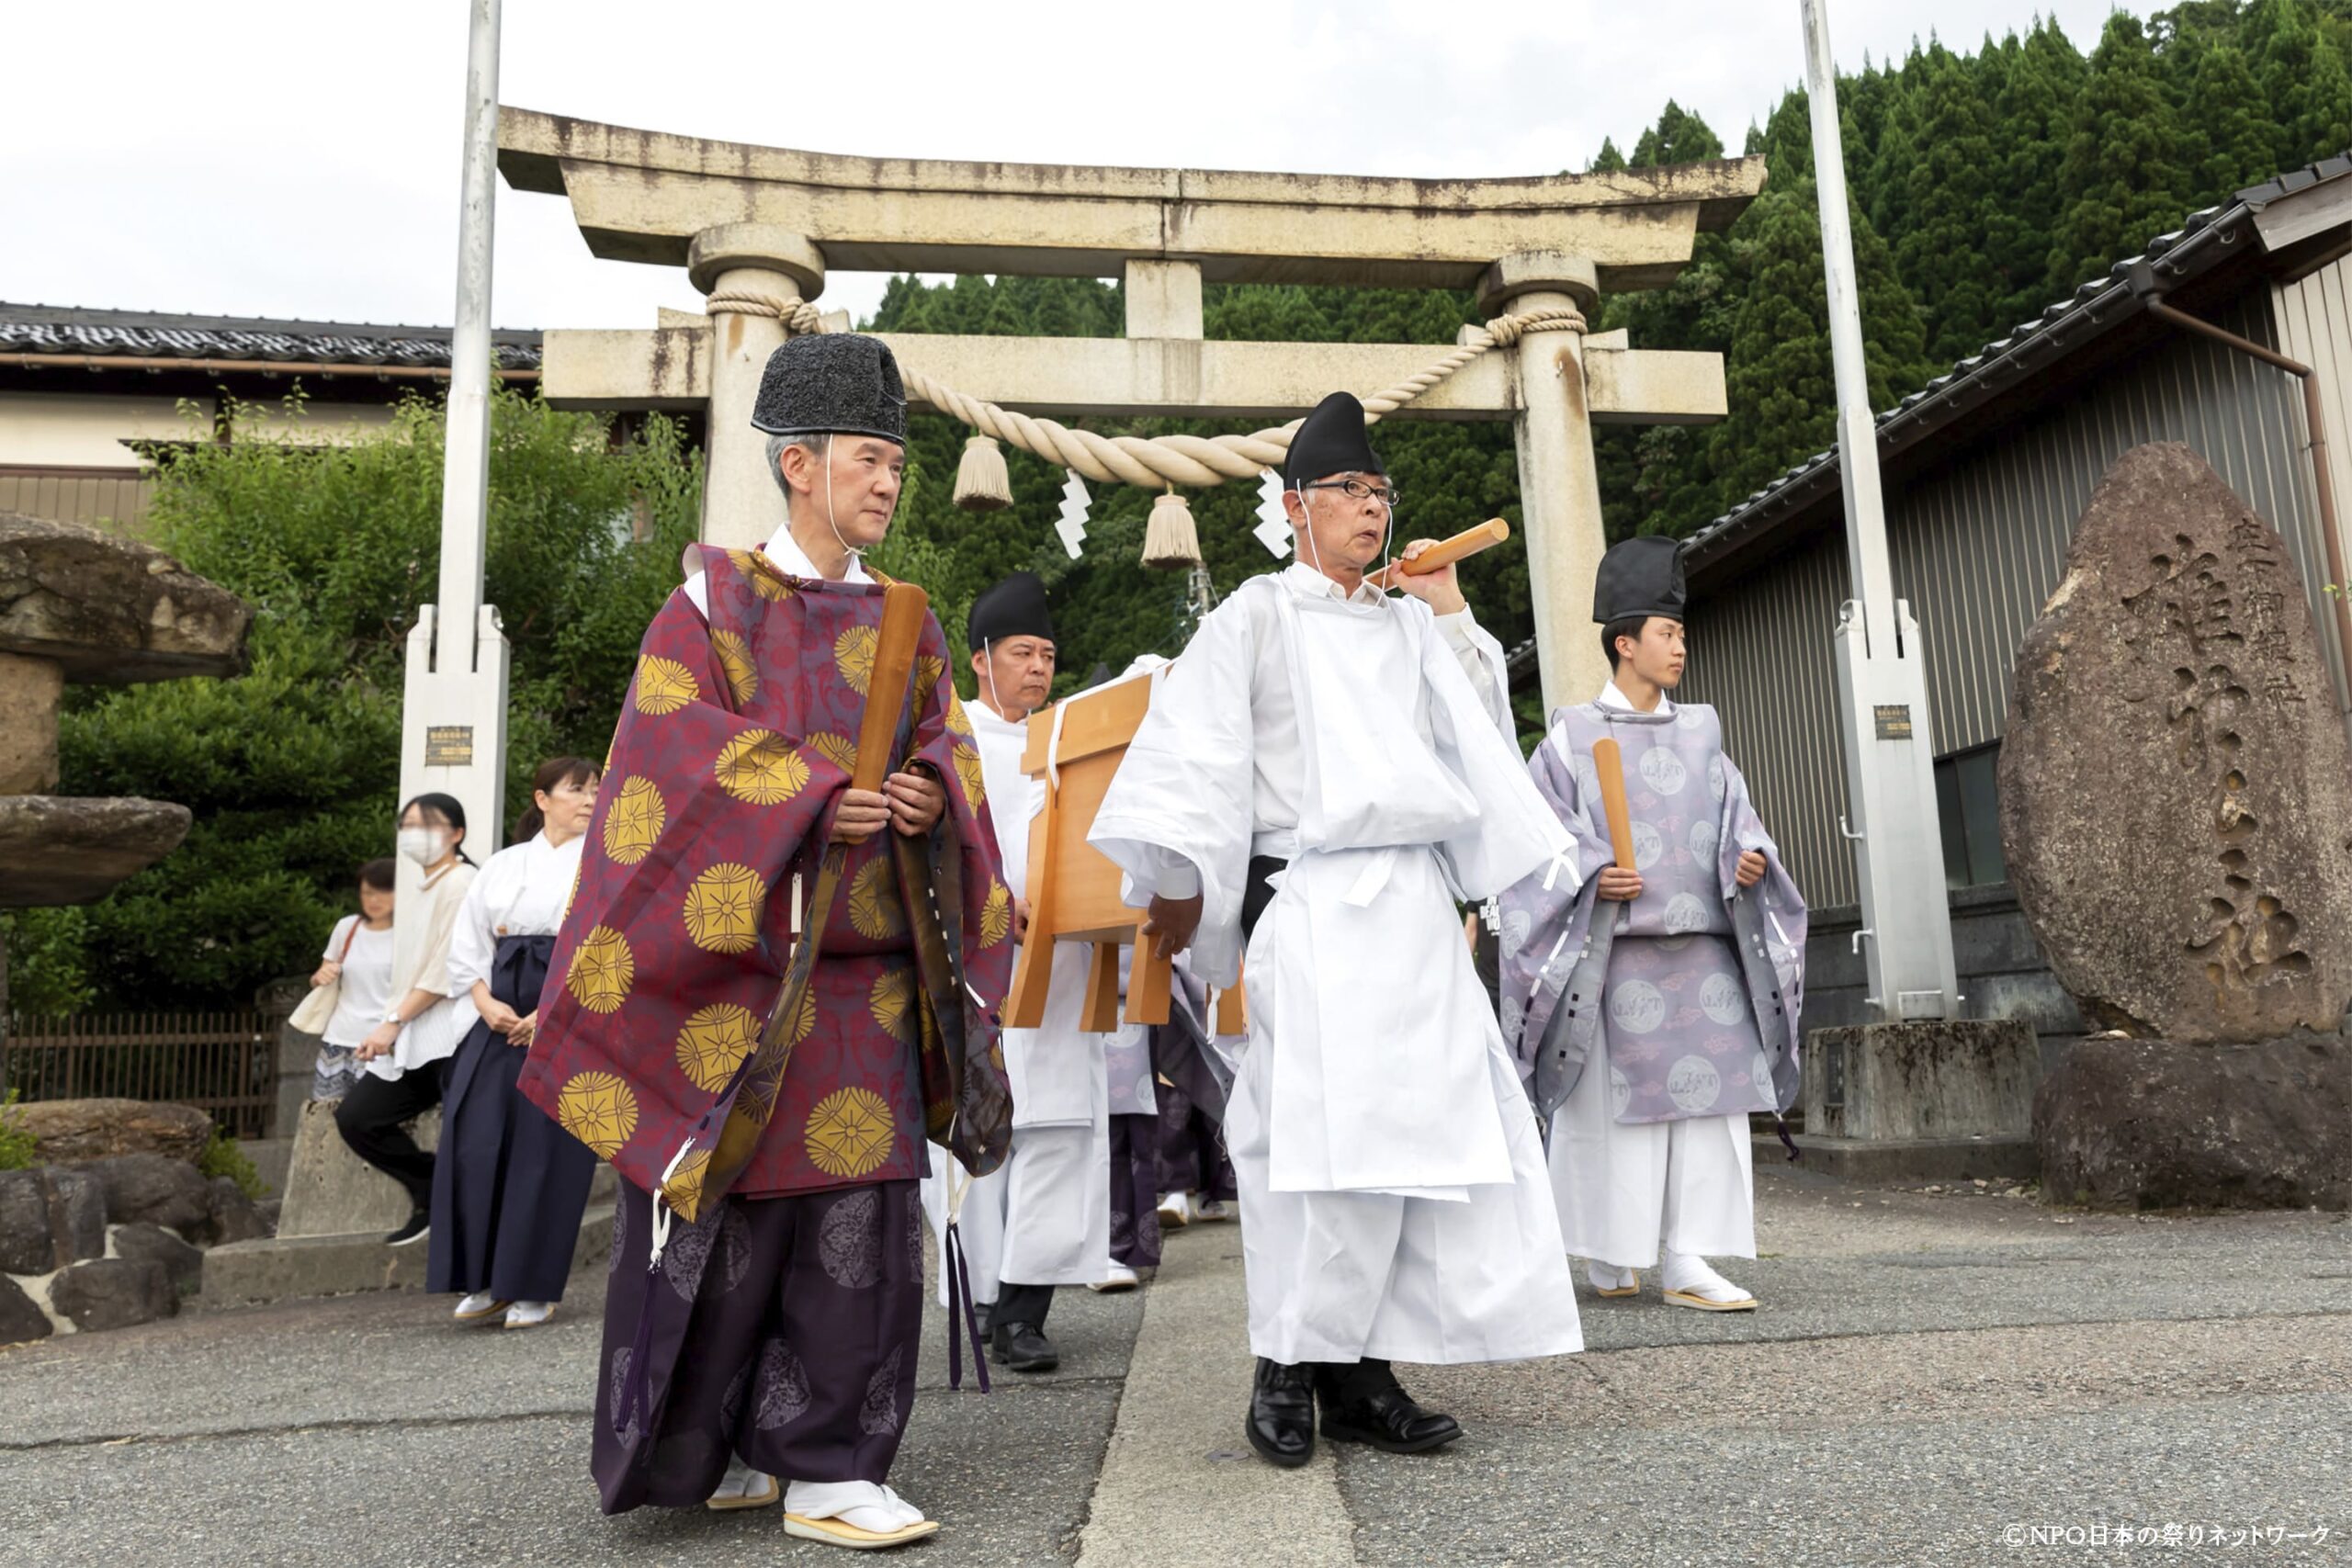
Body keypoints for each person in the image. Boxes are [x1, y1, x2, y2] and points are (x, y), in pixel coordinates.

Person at [519, 332, 1012, 1551]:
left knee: (859, 1221)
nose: (889, 480)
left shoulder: (912, 615)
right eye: (867, 457)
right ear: (798, 463)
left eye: (896, 458)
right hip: (738, 978)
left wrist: (923, 794)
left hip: (872, 978)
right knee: (726, 1225)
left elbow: (947, 745)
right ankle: (714, 1444)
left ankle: (834, 1463)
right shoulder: (710, 603)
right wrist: (805, 792)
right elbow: (668, 761)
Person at [1089, 390, 1582, 1470]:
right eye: (1348, 491)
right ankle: (1286, 1365)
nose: (1369, 508)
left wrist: (1450, 613)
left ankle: (1365, 1372)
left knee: (1421, 1143)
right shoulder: (1253, 616)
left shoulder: (1407, 621)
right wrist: (1184, 899)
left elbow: (1480, 746)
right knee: (1312, 1147)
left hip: (1411, 909)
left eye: (1379, 492)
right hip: (1309, 903)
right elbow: (1189, 767)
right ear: (1292, 506)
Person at [1496, 536, 1808, 1313]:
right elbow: (1538, 839)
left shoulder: (1703, 730)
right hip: (1617, 955)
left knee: (1710, 1108)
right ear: (1625, 642)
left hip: (1706, 954)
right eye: (1666, 633)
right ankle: (1610, 1248)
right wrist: (1595, 872)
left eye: (1681, 633)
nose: (1680, 646)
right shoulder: (1571, 737)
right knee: (1616, 1115)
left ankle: (1686, 1256)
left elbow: (1746, 821)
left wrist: (1751, 861)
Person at [917, 571, 1112, 1371]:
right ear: (980, 658)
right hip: (979, 968)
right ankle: (983, 1299)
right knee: (978, 1138)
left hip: (1061, 965)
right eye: (1024, 653)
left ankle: (1028, 1310)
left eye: (1048, 655)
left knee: (1060, 1128)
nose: (1039, 668)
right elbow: (930, 854)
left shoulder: (1069, 740)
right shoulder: (945, 743)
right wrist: (992, 904)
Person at [427, 757, 604, 1330]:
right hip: (497, 1012)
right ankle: (482, 1278)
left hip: (567, 1010)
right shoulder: (503, 865)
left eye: (596, 790)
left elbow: (607, 945)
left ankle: (532, 1285)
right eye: (576, 789)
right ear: (543, 798)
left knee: (544, 1153)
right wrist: (483, 1001)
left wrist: (550, 1013)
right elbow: (469, 944)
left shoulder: (608, 861)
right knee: (475, 1141)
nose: (588, 799)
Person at [334, 795, 479, 1247]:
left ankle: (467, 1232)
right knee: (359, 1118)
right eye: (408, 825)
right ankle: (430, 1187)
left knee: (470, 1137)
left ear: (456, 834)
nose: (415, 834)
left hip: (455, 1033)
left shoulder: (464, 882)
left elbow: (444, 971)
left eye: (428, 825)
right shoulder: (420, 888)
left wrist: (393, 1022)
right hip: (418, 1034)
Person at [304, 858, 398, 1101]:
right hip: (337, 1040)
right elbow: (320, 977)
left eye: (382, 892)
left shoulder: (410, 935)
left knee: (367, 1122)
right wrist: (320, 977)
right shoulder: (347, 928)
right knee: (327, 1120)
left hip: (381, 1045)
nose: (373, 900)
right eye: (367, 892)